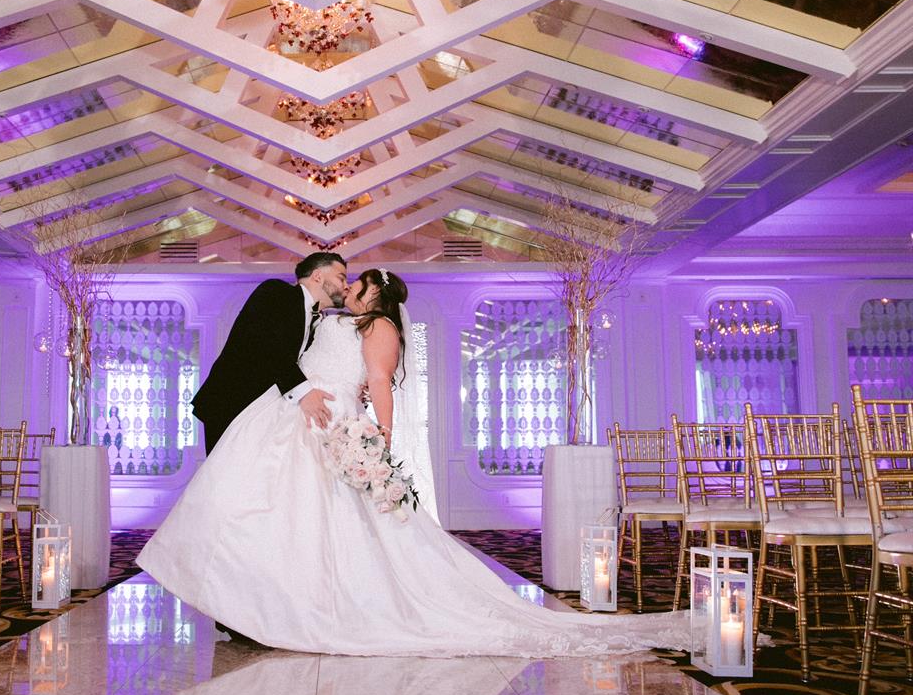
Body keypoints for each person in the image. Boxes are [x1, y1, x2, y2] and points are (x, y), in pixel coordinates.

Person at [139, 267, 689, 658]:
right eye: (345, 280)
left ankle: (316, 605)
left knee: (325, 518)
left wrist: (380, 436)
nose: (348, 287)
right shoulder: (331, 319)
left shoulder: (380, 328)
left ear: (375, 292)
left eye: (356, 283)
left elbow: (379, 382)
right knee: (268, 510)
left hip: (332, 420)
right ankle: (259, 604)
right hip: (292, 416)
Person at [189, 251, 349, 454]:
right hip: (232, 402)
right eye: (341, 278)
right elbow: (265, 342)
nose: (346, 286)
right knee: (226, 471)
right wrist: (304, 392)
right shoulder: (276, 292)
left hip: (267, 413)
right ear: (317, 276)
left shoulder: (319, 320)